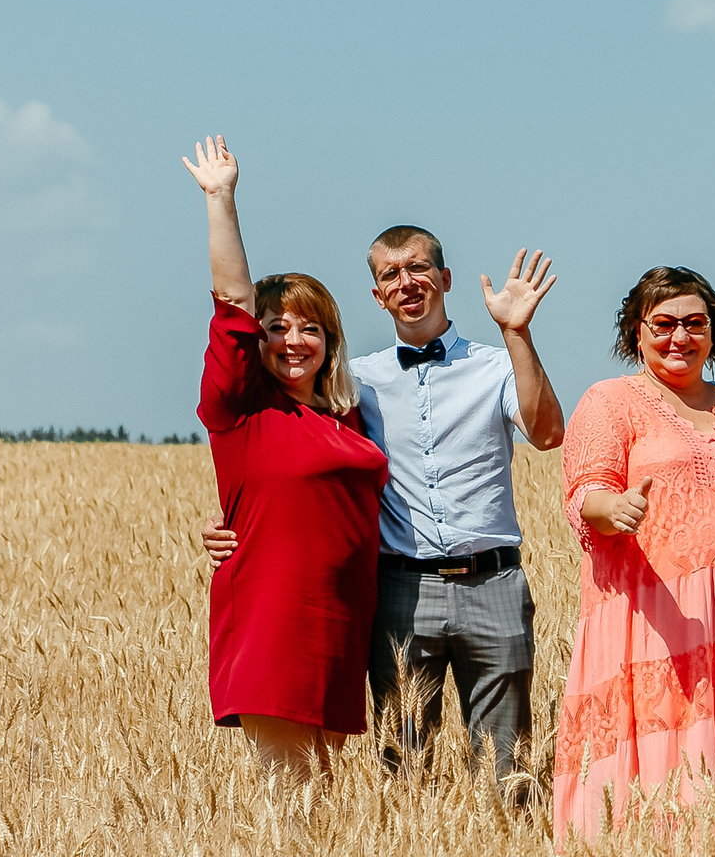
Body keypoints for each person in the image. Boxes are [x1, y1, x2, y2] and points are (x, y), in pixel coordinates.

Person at [203, 229, 567, 790]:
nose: (407, 282)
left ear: (444, 280)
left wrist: (516, 333)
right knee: (404, 772)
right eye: (390, 275)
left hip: (492, 581)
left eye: (419, 268)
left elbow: (546, 433)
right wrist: (233, 522)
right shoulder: (355, 387)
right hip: (400, 590)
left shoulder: (495, 364)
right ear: (377, 296)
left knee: (508, 767)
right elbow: (286, 462)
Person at [553, 266, 715, 841]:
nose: (679, 337)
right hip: (655, 622)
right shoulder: (611, 400)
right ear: (636, 332)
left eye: (695, 323)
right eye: (663, 324)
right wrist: (610, 509)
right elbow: (585, 490)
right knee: (657, 778)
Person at [182, 135, 388, 780]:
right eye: (278, 328)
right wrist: (222, 200)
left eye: (311, 328)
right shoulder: (240, 409)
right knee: (288, 793)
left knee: (321, 792)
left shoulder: (346, 416)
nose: (294, 341)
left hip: (341, 616)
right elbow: (234, 305)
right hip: (274, 613)